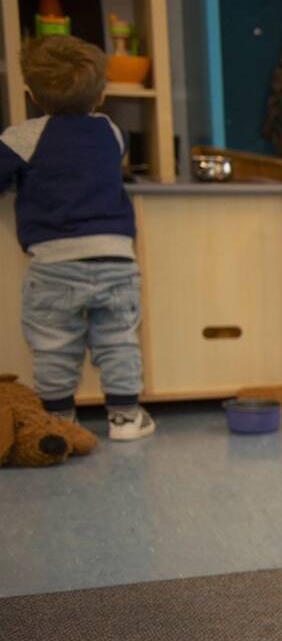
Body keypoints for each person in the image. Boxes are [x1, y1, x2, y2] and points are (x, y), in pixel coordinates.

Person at [1, 35, 154, 440]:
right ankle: (124, 416)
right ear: (101, 95)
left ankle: (58, 419)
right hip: (116, 259)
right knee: (119, 339)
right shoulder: (111, 132)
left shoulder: (23, 136)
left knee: (53, 345)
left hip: (55, 264)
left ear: (31, 93)